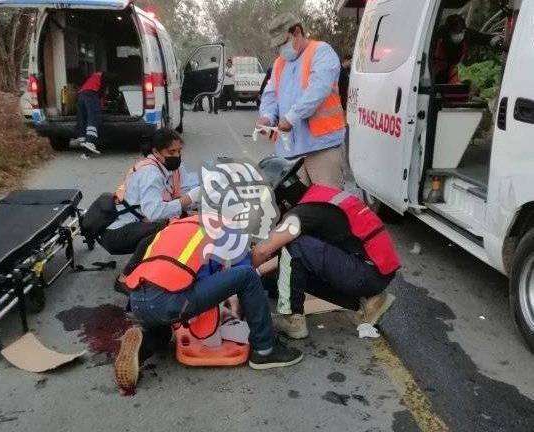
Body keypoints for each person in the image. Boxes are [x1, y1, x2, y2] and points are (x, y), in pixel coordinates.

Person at [113, 215, 304, 392]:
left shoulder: (180, 225)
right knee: (248, 276)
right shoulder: (234, 235)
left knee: (163, 332)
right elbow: (238, 277)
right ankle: (266, 349)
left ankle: (142, 345)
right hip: (168, 300)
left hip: (138, 299)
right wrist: (230, 314)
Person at [251, 156, 401, 339]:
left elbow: (262, 250)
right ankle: (370, 301)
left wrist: (243, 276)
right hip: (374, 270)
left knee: (295, 246)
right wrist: (260, 272)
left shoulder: (302, 213)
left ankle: (292, 320)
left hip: (365, 272)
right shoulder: (319, 197)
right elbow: (286, 258)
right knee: (287, 264)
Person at [99, 128, 201, 291]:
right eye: (171, 151)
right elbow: (153, 212)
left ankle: (165, 267)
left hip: (138, 223)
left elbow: (186, 187)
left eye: (179, 151)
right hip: (116, 233)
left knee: (183, 220)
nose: (176, 155)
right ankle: (124, 279)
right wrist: (190, 199)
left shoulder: (169, 166)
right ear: (156, 152)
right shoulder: (150, 173)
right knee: (163, 229)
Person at [258, 13, 346, 189]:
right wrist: (266, 117)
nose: (281, 50)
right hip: (290, 153)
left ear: (297, 32)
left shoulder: (321, 52)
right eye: (277, 47)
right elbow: (270, 95)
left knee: (326, 207)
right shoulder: (279, 64)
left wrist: (291, 117)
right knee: (296, 210)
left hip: (322, 148)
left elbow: (318, 90)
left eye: (283, 43)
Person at [433, 14, 503, 84]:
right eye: (456, 32)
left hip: (455, 71)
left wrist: (496, 40)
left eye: (461, 31)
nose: (460, 34)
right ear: (449, 31)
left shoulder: (466, 34)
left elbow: (483, 38)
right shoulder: (436, 37)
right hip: (437, 72)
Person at [75, 71, 115, 155]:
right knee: (94, 116)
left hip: (80, 95)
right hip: (91, 94)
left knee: (82, 118)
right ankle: (90, 141)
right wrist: (101, 105)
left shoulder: (93, 76)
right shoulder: (104, 77)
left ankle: (83, 144)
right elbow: (101, 93)